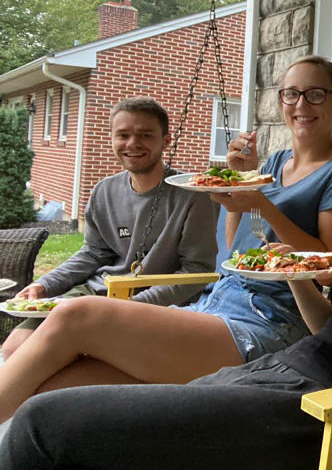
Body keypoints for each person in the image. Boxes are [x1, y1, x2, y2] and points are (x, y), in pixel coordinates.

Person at [0, 111, 332, 470]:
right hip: (275, 377)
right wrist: (294, 276)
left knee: (45, 419)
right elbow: (329, 328)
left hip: (318, 423)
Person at [0, 56, 332, 421]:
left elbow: (327, 266)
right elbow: (237, 242)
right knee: (51, 389)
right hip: (217, 301)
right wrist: (238, 184)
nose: (301, 104)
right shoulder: (274, 164)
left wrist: (264, 205)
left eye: (315, 94)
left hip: (267, 320)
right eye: (291, 94)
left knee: (76, 315)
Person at [1, 97, 217, 360]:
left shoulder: (192, 196)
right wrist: (45, 285)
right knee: (15, 347)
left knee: (52, 358)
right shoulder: (104, 191)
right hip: (95, 292)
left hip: (152, 305)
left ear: (166, 140)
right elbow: (93, 253)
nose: (132, 144)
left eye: (145, 135)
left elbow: (197, 272)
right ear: (112, 139)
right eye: (123, 135)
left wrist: (127, 307)